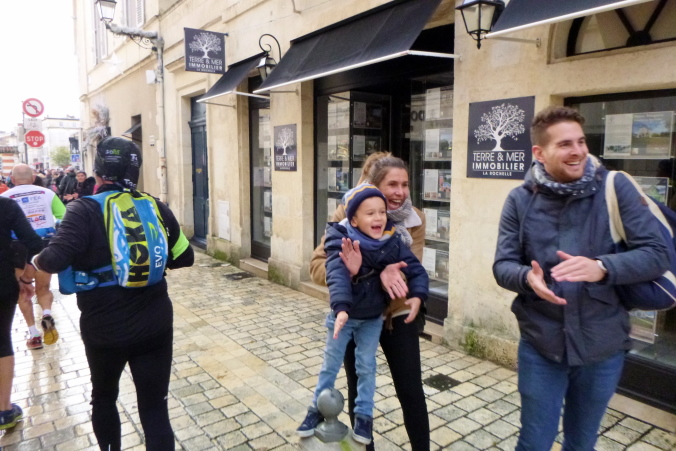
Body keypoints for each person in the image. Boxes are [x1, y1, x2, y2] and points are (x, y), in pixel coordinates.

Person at [493, 106, 669, 450]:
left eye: (581, 141)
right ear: (540, 153)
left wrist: (603, 267)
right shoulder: (519, 200)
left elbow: (656, 254)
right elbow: (502, 265)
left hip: (602, 346)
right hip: (542, 345)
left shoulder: (615, 188)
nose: (577, 151)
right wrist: (528, 278)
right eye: (565, 144)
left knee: (581, 443)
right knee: (533, 442)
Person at [28, 137, 194, 450]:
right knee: (155, 405)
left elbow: (53, 259)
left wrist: (33, 261)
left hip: (104, 327)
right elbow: (185, 257)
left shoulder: (83, 210)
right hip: (155, 322)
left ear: (98, 171)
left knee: (104, 398)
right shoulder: (155, 206)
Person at [310, 152, 430, 450]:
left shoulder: (414, 219)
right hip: (358, 315)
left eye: (404, 184)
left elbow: (409, 270)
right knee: (359, 388)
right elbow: (317, 267)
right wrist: (361, 272)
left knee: (411, 391)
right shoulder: (347, 214)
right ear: (375, 187)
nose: (400, 192)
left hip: (397, 314)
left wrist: (392, 271)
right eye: (392, 185)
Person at [1, 164, 66, 349]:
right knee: (43, 288)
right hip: (44, 246)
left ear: (12, 179)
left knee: (23, 292)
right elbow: (64, 217)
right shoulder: (48, 193)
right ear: (33, 178)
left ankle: (34, 334)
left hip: (18, 251)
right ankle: (46, 313)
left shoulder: (5, 197)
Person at [0, 196, 43, 430]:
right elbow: (34, 243)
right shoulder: (5, 206)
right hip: (2, 281)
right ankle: (4, 410)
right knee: (1, 341)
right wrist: (25, 277)